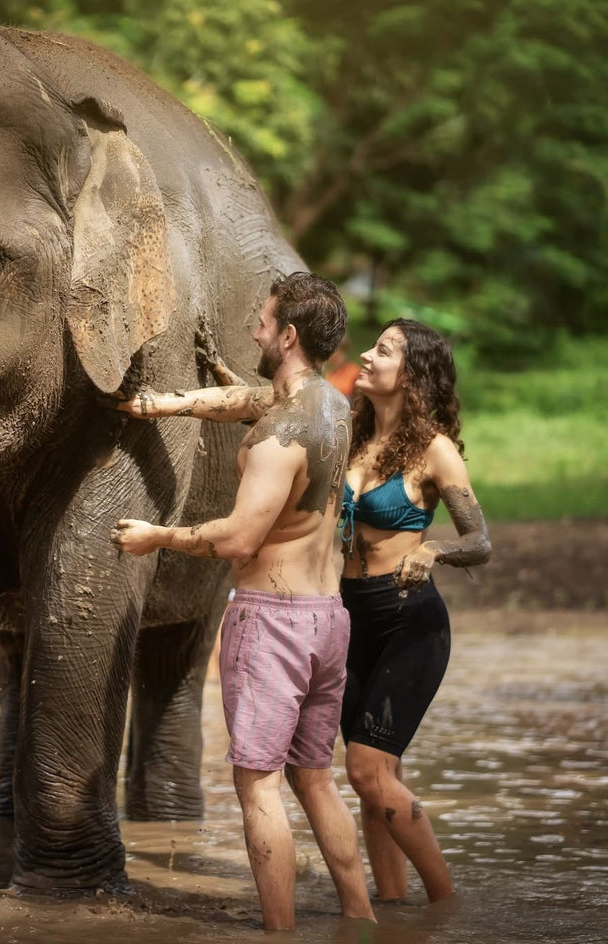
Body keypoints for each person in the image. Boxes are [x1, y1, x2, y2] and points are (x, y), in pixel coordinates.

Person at [109, 272, 375, 931]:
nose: (253, 330)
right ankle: (364, 918)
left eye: (262, 322)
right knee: (314, 778)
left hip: (272, 622)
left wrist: (157, 537)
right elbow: (250, 399)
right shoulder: (330, 408)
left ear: (287, 335)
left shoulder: (277, 439)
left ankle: (279, 930)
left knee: (257, 785)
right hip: (327, 620)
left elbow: (238, 537)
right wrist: (166, 404)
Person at [339, 318, 491, 903]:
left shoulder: (435, 450)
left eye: (383, 350)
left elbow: (480, 540)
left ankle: (445, 902)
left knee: (366, 769)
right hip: (352, 618)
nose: (366, 356)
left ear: (413, 374)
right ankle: (394, 908)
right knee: (377, 780)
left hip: (410, 622)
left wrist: (433, 550)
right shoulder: (353, 437)